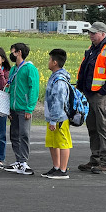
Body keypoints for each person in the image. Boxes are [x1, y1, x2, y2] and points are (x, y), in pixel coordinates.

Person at [76, 21, 106, 174]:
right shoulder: (92, 49)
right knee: (93, 128)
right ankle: (96, 159)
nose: (91, 35)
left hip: (101, 96)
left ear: (103, 34)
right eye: (90, 33)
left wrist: (103, 91)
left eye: (93, 33)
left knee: (104, 128)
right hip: (90, 94)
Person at [4, 43, 39, 175]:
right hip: (13, 108)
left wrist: (29, 108)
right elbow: (10, 88)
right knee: (14, 135)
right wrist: (8, 108)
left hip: (24, 108)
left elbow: (34, 89)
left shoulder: (30, 69)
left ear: (19, 52)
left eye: (12, 52)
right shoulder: (13, 69)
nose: (10, 54)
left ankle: (23, 161)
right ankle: (18, 160)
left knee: (24, 134)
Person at [41, 49, 72, 179]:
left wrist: (54, 119)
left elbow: (59, 101)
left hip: (59, 118)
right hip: (53, 117)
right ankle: (56, 167)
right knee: (53, 143)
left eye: (49, 60)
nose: (48, 62)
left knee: (62, 142)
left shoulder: (59, 80)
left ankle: (63, 170)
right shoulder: (55, 77)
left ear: (54, 62)